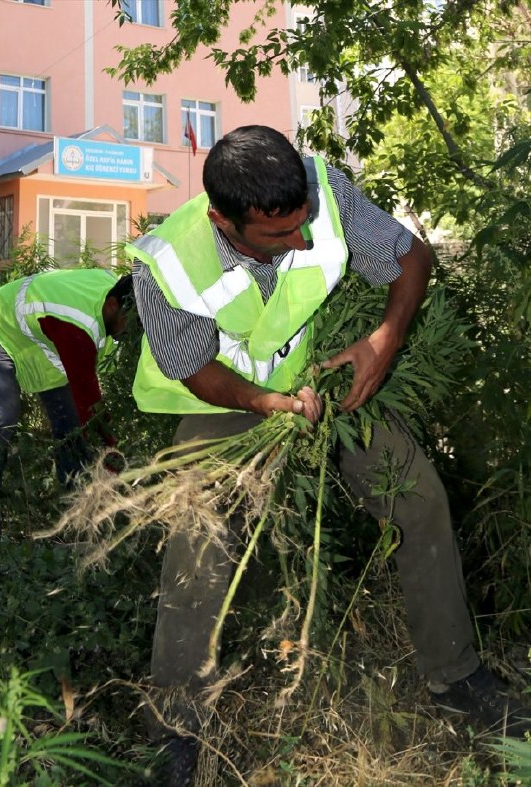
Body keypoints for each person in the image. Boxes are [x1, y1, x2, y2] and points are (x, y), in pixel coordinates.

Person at [125, 126, 528, 784]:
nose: (302, 242)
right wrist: (263, 401)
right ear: (224, 221)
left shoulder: (326, 191)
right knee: (197, 539)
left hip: (323, 374)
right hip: (225, 398)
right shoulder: (166, 263)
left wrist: (382, 342)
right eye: (278, 234)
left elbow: (410, 257)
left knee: (418, 497)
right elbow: (196, 369)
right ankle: (175, 726)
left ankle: (457, 678)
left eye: (302, 221)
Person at [0, 268, 133, 536]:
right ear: (112, 305)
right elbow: (90, 405)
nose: (130, 330)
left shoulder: (118, 291)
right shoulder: (76, 326)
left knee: (70, 430)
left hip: (40, 344)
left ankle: (76, 520)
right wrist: (112, 459)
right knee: (2, 421)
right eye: (127, 321)